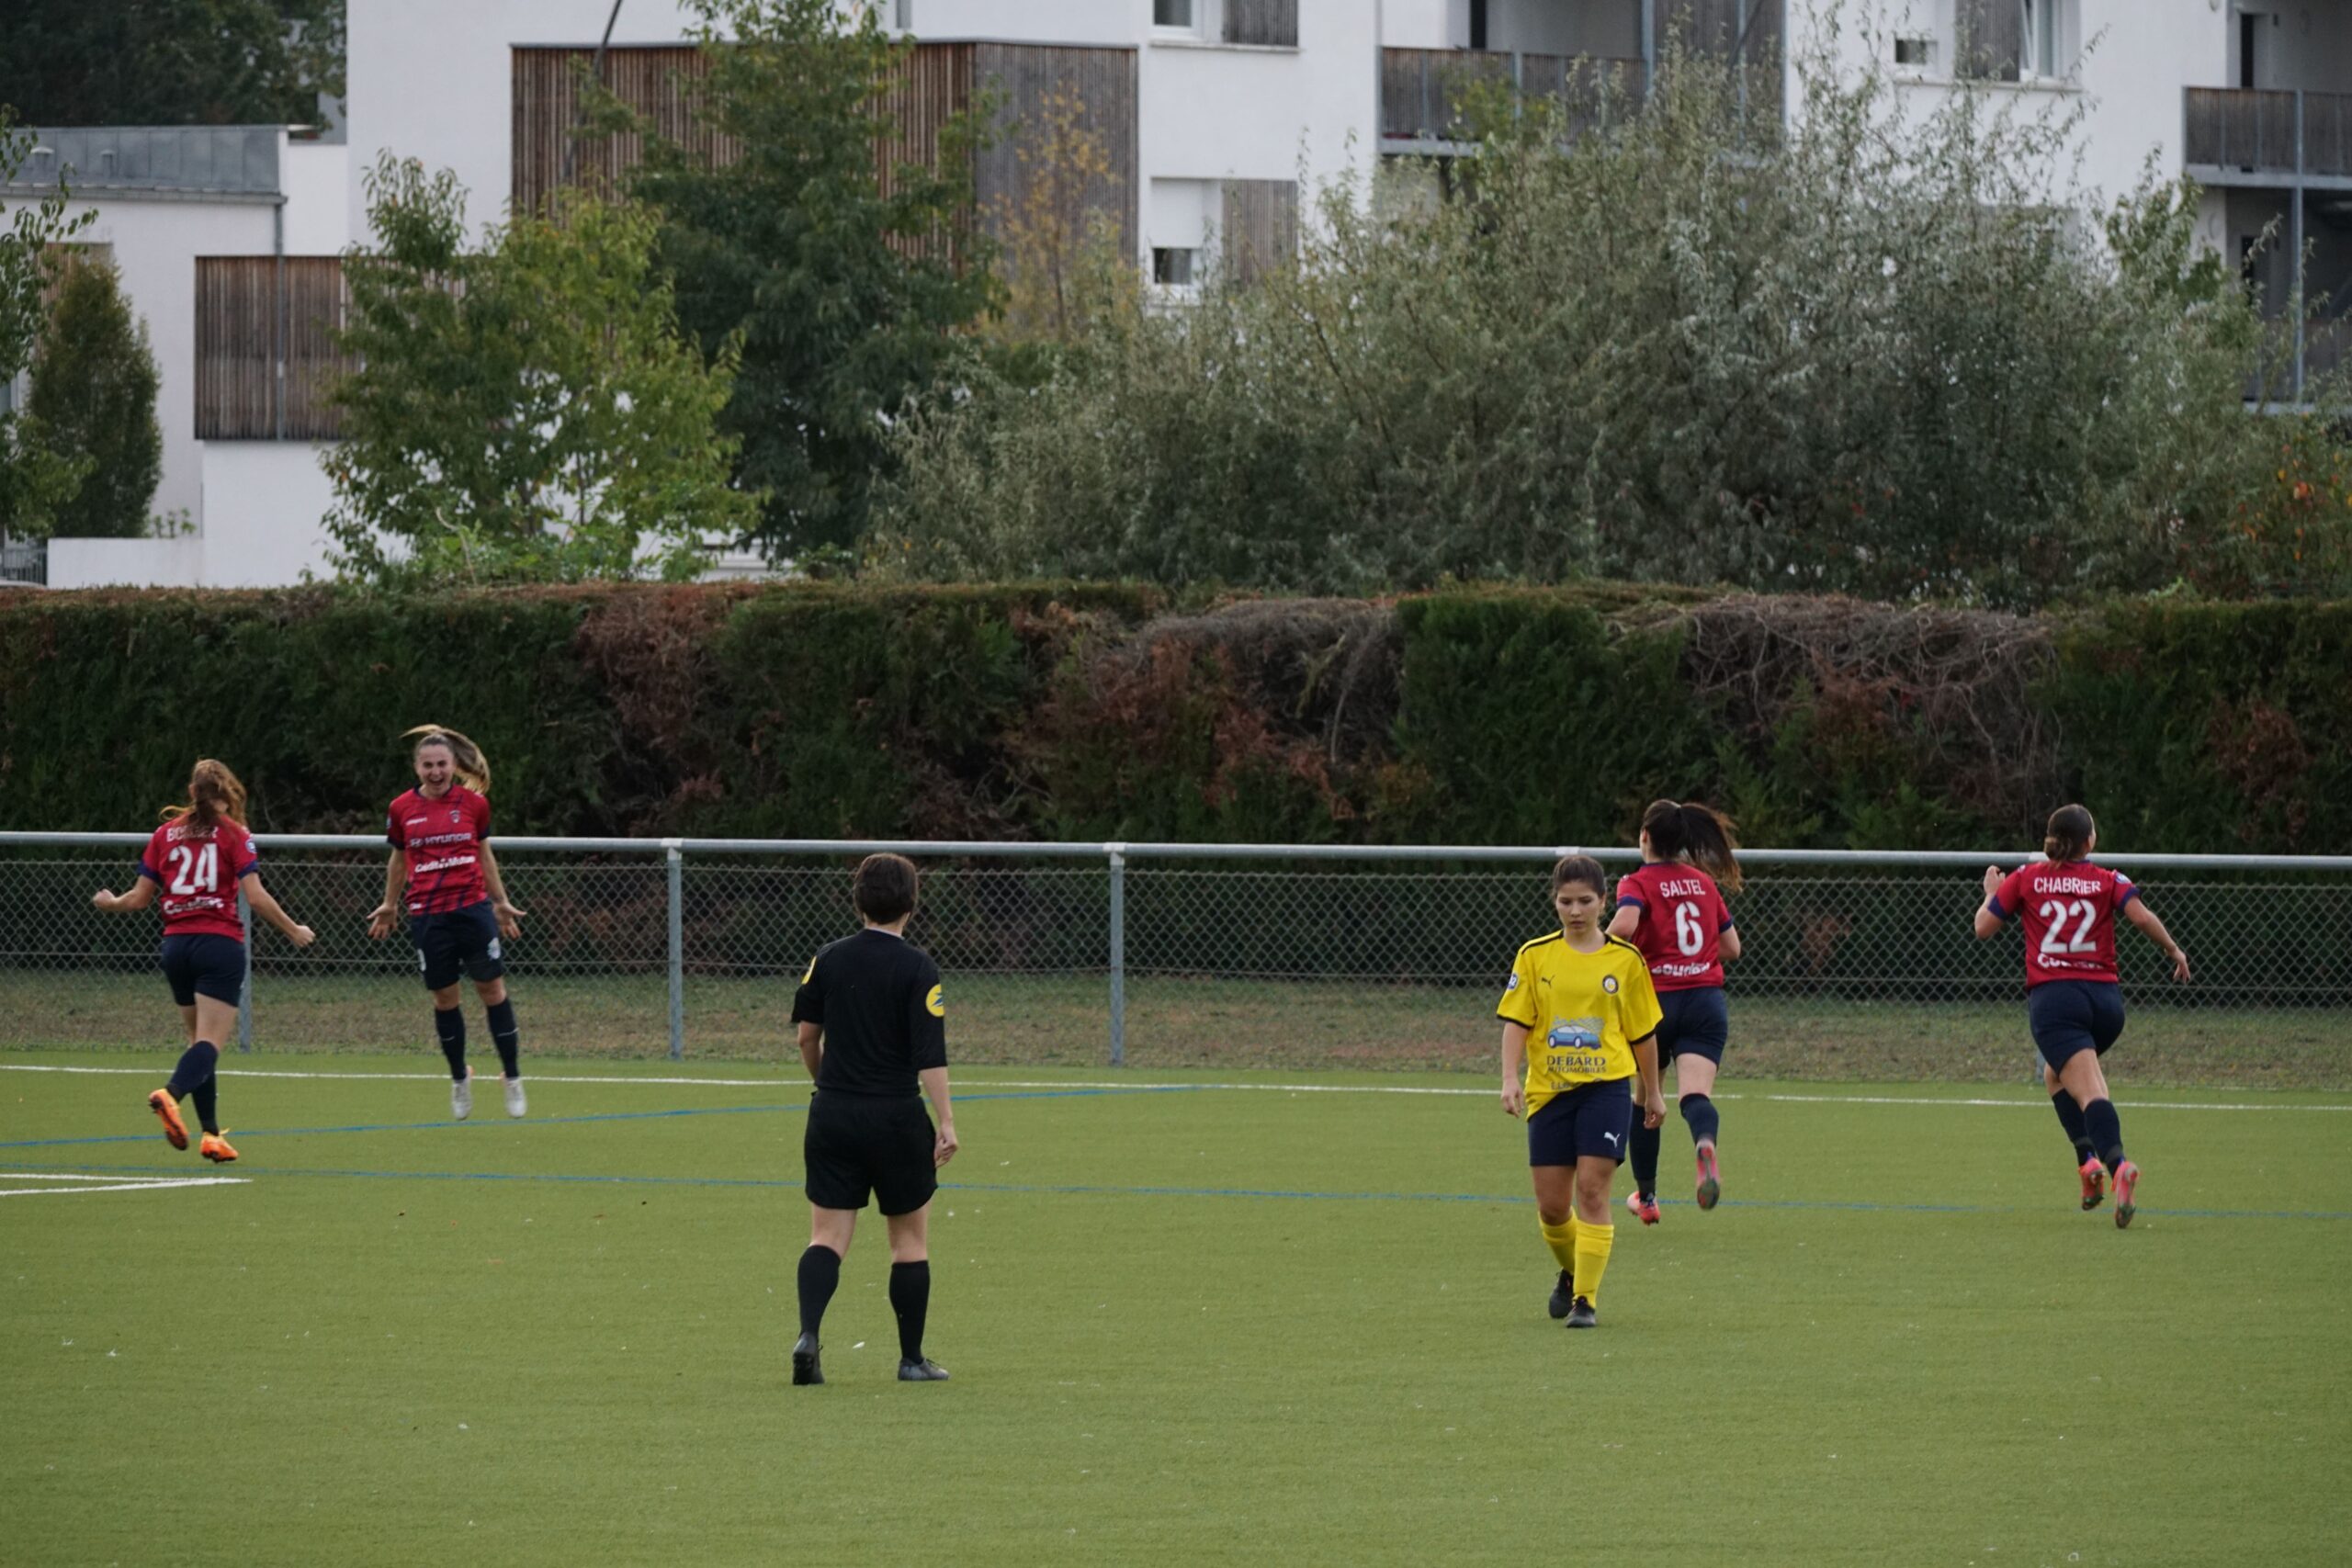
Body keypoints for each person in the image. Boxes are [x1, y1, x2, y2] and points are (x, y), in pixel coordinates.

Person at [1974, 804, 2190, 1229]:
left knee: (2089, 1091)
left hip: (2057, 1002)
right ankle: (2087, 1163)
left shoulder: (2027, 877)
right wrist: (2173, 949)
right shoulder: (2108, 879)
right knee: (2057, 1076)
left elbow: (1983, 927)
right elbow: (2141, 917)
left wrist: (1989, 893)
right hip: (2106, 1005)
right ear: (2089, 842)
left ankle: (2118, 1166)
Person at [787, 852, 959, 1384]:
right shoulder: (918, 967)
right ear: (912, 904)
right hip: (896, 1119)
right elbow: (929, 1056)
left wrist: (827, 1083)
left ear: (857, 901)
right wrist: (946, 1121)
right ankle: (911, 1359)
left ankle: (808, 1336)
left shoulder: (828, 958)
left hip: (833, 1115)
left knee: (826, 1237)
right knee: (909, 1243)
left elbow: (806, 1037)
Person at [91, 759, 314, 1163]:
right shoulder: (234, 834)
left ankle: (211, 1135)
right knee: (210, 1043)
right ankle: (170, 1094)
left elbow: (138, 899)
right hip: (218, 945)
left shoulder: (164, 834)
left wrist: (110, 903)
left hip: (176, 947)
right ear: (228, 793)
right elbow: (255, 896)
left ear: (192, 792)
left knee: (198, 1042)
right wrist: (292, 928)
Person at [1498, 854, 1665, 1330]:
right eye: (1566, 901)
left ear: (1604, 902)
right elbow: (1517, 1022)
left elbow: (1642, 1033)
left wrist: (1653, 1092)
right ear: (1555, 902)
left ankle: (1585, 1302)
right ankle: (1573, 1271)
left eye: (1585, 901)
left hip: (1606, 1090)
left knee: (1592, 1190)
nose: (1575, 911)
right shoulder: (1535, 955)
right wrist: (1509, 1077)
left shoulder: (1625, 960)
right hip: (1549, 1092)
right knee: (1553, 1208)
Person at [366, 725, 529, 1120]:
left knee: (492, 989)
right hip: (428, 915)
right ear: (417, 768)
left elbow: (485, 855)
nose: (436, 772)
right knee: (445, 999)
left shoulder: (474, 805)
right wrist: (389, 903)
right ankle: (459, 1077)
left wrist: (500, 902)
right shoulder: (401, 808)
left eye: (442, 764)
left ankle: (512, 1076)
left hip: (472, 910)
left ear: (454, 765)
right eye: (428, 765)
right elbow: (398, 860)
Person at [1607, 799, 1744, 1224]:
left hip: (1654, 1004)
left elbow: (1625, 925)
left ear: (1644, 837)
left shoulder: (1636, 882)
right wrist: (1693, 960)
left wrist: (1594, 953)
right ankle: (1704, 1143)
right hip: (1704, 1001)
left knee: (1647, 1098)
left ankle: (1647, 1199)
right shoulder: (1703, 883)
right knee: (1695, 1096)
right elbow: (1732, 948)